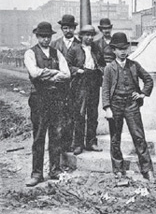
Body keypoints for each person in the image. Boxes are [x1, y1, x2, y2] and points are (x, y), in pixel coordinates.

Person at [102, 32, 156, 185]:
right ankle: (118, 170)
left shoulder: (134, 65)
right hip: (115, 105)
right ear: (113, 50)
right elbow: (105, 90)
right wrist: (107, 108)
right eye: (119, 49)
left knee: (139, 137)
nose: (123, 51)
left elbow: (148, 80)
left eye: (125, 48)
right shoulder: (109, 69)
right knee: (115, 139)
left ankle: (148, 170)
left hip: (131, 105)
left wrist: (142, 94)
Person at [24, 22, 70, 186]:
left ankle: (55, 169)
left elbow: (67, 74)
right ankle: (36, 174)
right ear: (37, 37)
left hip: (55, 98)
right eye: (42, 36)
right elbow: (34, 73)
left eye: (48, 36)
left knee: (56, 134)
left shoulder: (56, 53)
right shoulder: (30, 53)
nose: (45, 39)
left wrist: (47, 74)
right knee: (39, 136)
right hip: (39, 99)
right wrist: (54, 73)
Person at [66, 24, 105, 155]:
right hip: (81, 82)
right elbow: (67, 66)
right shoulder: (74, 49)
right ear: (81, 36)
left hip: (94, 81)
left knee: (93, 114)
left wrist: (100, 70)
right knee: (80, 114)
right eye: (86, 35)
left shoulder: (96, 49)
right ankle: (78, 144)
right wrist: (78, 70)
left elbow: (102, 63)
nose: (89, 38)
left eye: (91, 35)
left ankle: (91, 142)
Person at [52, 14, 80, 154]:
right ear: (62, 29)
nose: (68, 30)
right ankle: (59, 145)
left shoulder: (80, 45)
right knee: (59, 114)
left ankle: (72, 144)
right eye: (65, 28)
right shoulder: (55, 45)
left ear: (75, 28)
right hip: (59, 86)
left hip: (76, 86)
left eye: (70, 28)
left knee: (74, 114)